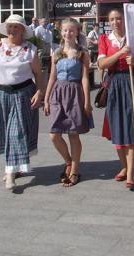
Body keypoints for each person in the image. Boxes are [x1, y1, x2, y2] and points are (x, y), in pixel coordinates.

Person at [0, 14, 43, 191]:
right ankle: (15, 166)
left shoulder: (30, 49)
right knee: (2, 131)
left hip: (22, 95)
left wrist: (40, 92)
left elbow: (38, 75)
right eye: (10, 27)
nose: (12, 30)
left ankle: (10, 173)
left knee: (16, 133)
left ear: (22, 31)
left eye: (16, 27)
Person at [97, 8, 134, 190]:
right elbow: (101, 64)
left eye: (119, 18)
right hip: (115, 83)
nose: (116, 22)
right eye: (112, 19)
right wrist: (120, 52)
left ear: (125, 19)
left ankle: (130, 173)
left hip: (133, 83)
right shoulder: (104, 40)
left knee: (132, 127)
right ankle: (124, 166)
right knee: (117, 127)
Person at [43, 18, 92, 188]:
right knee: (54, 134)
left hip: (74, 94)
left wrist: (87, 101)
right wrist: (47, 99)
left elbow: (85, 78)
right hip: (57, 93)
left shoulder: (82, 53)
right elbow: (51, 77)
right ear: (61, 32)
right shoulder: (56, 52)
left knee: (73, 134)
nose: (68, 33)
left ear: (77, 32)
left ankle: (75, 170)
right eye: (65, 30)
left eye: (72, 30)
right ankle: (68, 161)